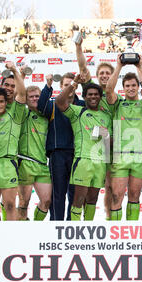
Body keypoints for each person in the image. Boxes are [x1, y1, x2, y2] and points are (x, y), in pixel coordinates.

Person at [105, 54, 142, 221]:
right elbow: (108, 90)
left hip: (140, 156)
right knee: (116, 196)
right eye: (127, 86)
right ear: (123, 88)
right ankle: (115, 232)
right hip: (121, 157)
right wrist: (118, 66)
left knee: (135, 196)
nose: (131, 88)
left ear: (137, 87)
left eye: (133, 85)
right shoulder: (118, 103)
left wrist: (140, 66)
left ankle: (131, 232)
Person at [75, 36, 120, 220]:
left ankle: (109, 220)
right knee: (86, 189)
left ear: (112, 76)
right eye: (100, 73)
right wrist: (78, 46)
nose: (103, 76)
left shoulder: (116, 99)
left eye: (107, 73)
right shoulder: (92, 92)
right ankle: (85, 222)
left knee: (109, 187)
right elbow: (83, 69)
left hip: (109, 148)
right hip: (90, 149)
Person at [55, 78, 112, 221]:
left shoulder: (107, 116)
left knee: (93, 199)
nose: (93, 97)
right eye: (90, 94)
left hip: (100, 162)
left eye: (96, 94)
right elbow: (60, 102)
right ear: (84, 97)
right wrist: (73, 84)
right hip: (83, 160)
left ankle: (89, 228)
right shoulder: (77, 112)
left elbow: (111, 142)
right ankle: (75, 229)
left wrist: (106, 135)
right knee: (79, 199)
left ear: (100, 96)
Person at [0, 62, 27, 221]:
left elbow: (22, 95)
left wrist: (15, 70)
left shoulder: (16, 111)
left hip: (8, 164)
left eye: (12, 86)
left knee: (9, 205)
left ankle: (12, 242)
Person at [36, 73, 83, 221]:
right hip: (58, 153)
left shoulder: (82, 105)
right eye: (66, 85)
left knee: (74, 194)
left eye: (72, 85)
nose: (70, 88)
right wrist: (48, 86)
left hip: (78, 154)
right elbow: (41, 106)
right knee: (58, 193)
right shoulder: (53, 104)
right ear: (61, 87)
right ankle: (56, 224)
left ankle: (71, 225)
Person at [16, 84, 52, 221]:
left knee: (47, 201)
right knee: (23, 204)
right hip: (25, 163)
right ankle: (23, 232)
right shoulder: (23, 113)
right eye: (31, 97)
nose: (35, 98)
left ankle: (35, 228)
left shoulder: (46, 114)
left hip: (43, 164)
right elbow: (16, 97)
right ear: (25, 99)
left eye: (38, 96)